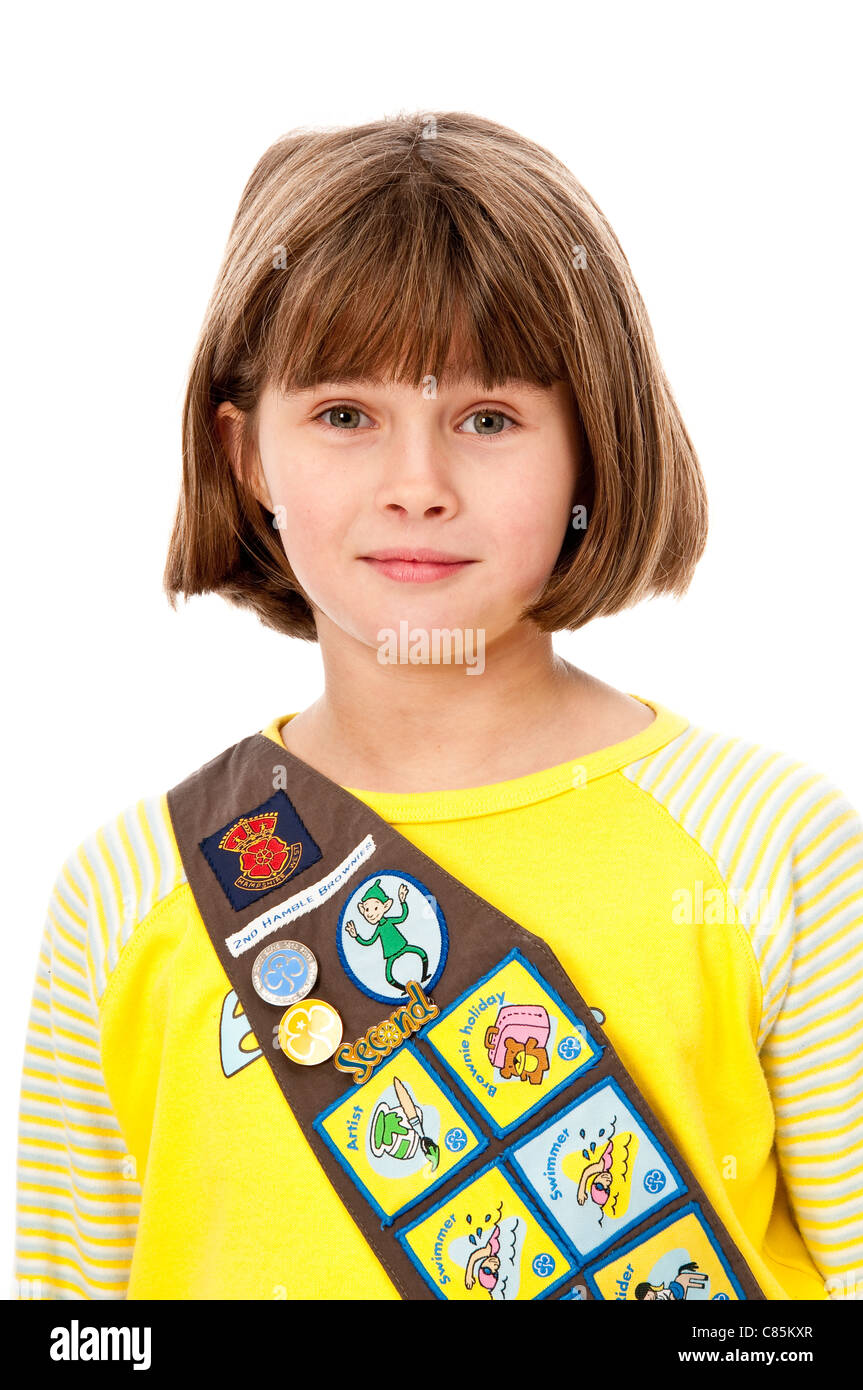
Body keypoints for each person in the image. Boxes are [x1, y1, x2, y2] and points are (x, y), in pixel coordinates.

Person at [13, 111, 862, 1302]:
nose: (417, 487)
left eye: (487, 419)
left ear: (591, 450)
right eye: (346, 415)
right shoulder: (126, 888)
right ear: (248, 456)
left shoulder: (773, 846)